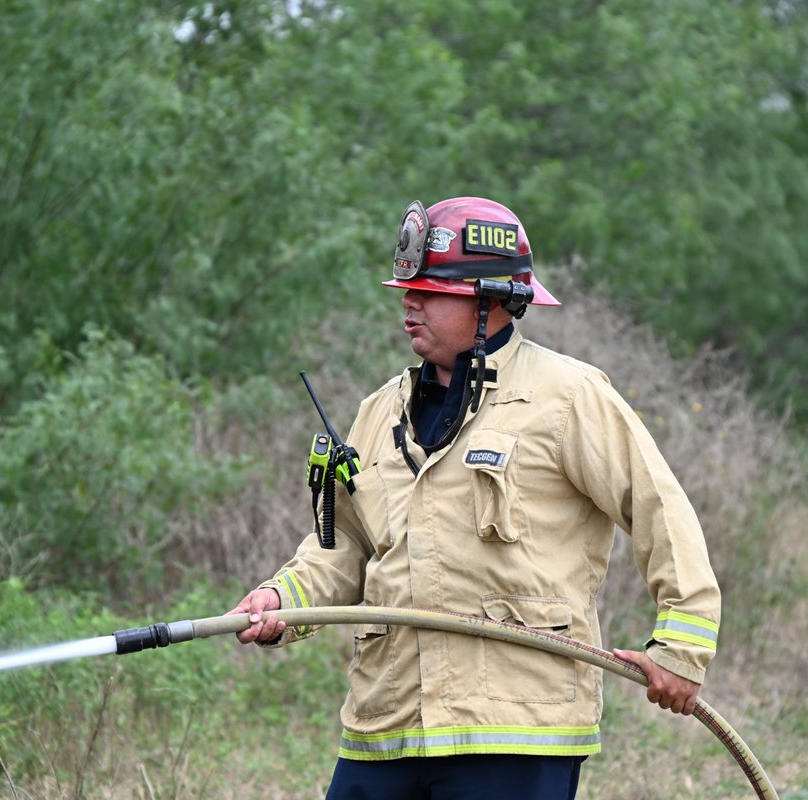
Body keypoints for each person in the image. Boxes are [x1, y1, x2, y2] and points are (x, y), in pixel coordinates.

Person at [227, 196, 721, 800]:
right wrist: (284, 598)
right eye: (408, 288)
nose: (409, 302)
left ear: (491, 301)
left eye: (432, 291)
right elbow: (346, 546)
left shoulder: (568, 396)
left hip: (513, 725)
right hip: (388, 723)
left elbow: (659, 511)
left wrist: (682, 649)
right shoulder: (378, 413)